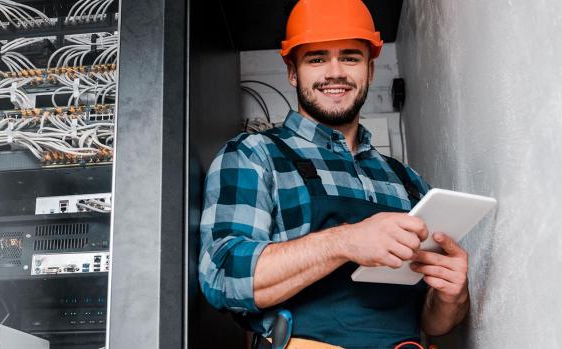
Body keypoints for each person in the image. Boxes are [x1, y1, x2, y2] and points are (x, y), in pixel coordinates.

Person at [199, 0, 470, 347]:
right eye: (317, 58)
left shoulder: (408, 182)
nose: (335, 72)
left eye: (350, 57)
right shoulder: (255, 155)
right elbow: (222, 275)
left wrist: (452, 296)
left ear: (370, 70)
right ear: (293, 71)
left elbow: (431, 322)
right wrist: (344, 242)